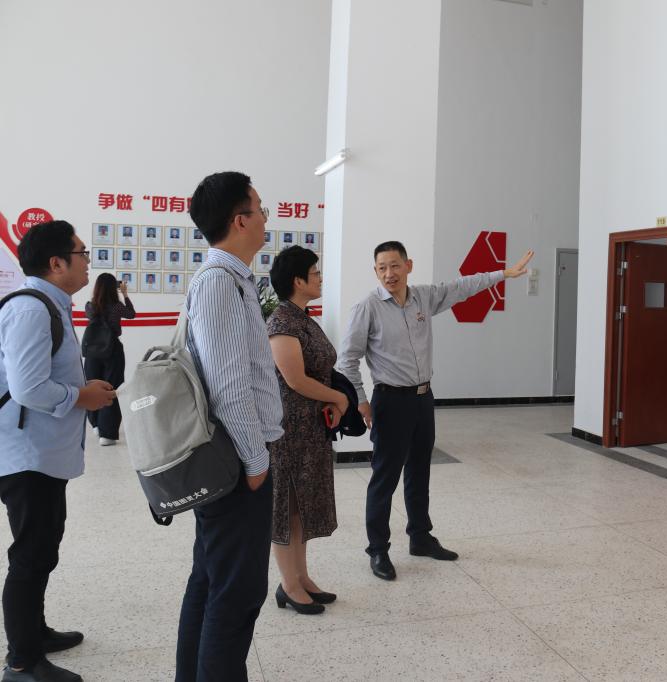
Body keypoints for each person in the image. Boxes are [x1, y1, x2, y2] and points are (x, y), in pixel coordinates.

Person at [338, 240, 533, 580]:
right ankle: (378, 549)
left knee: (419, 471)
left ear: (408, 266)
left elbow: (462, 287)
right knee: (385, 478)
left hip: (423, 398)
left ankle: (420, 537)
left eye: (395, 265)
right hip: (390, 401)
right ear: (375, 271)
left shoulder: (423, 297)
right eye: (382, 267)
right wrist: (361, 401)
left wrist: (503, 274)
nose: (389, 273)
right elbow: (347, 361)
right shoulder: (367, 308)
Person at [175, 171, 283, 682]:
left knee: (211, 580)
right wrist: (256, 461)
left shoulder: (231, 279)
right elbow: (228, 385)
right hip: (237, 464)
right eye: (260, 208)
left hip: (235, 460)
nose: (265, 218)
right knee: (236, 593)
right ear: (240, 220)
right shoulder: (219, 282)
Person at [0, 221, 116, 682]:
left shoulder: (50, 305)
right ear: (56, 263)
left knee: (43, 547)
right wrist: (82, 397)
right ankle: (22, 662)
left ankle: (35, 633)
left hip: (42, 453)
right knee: (31, 554)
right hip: (26, 455)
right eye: (82, 252)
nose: (88, 261)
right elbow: (28, 388)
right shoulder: (32, 309)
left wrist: (81, 389)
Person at [265, 246, 348, 615]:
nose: (320, 278)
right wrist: (337, 397)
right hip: (289, 433)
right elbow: (295, 379)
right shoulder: (282, 322)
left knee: (302, 508)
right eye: (315, 273)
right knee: (287, 508)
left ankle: (301, 577)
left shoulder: (303, 318)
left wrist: (331, 401)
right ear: (298, 281)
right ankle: (288, 585)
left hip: (310, 430)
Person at [84, 273, 136, 446]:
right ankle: (107, 434)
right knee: (112, 388)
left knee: (91, 385)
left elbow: (92, 317)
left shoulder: (90, 306)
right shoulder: (117, 306)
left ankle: (96, 424)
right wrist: (125, 294)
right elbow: (131, 314)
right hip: (112, 350)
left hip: (92, 351)